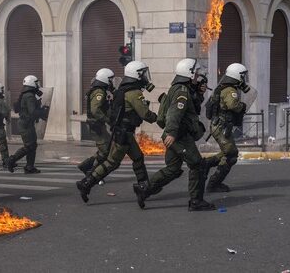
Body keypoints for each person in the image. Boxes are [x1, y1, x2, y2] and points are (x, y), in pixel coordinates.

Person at [133, 58, 216, 211]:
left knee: (173, 168)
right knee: (197, 165)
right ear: (189, 73)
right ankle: (196, 202)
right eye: (196, 73)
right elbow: (174, 113)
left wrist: (199, 93)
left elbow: (192, 109)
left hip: (176, 135)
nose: (198, 76)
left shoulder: (181, 88)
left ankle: (144, 189)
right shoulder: (182, 91)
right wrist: (171, 133)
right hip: (179, 136)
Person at [76, 61, 157, 203]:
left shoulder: (123, 90)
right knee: (112, 162)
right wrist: (160, 117)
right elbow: (145, 114)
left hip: (124, 133)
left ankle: (143, 186)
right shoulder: (133, 92)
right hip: (123, 134)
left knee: (138, 158)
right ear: (137, 75)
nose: (145, 77)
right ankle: (86, 183)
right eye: (143, 74)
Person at [205, 63, 249, 193]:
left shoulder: (223, 87)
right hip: (221, 126)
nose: (243, 79)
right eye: (242, 76)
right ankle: (213, 184)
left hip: (219, 125)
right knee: (231, 155)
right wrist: (242, 106)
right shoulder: (230, 90)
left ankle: (207, 164)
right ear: (237, 76)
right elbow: (232, 105)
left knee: (229, 152)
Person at [6, 75, 49, 174]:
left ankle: (29, 167)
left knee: (33, 145)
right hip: (26, 124)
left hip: (27, 123)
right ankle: (11, 160)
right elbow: (32, 111)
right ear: (32, 83)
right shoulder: (29, 95)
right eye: (36, 82)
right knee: (29, 146)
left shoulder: (27, 94)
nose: (38, 84)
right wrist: (42, 111)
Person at [77, 69, 115, 178]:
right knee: (106, 151)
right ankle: (92, 174)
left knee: (104, 149)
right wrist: (107, 119)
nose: (111, 82)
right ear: (105, 79)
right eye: (110, 80)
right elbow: (95, 110)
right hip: (96, 125)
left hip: (97, 125)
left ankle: (85, 166)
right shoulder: (99, 92)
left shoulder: (98, 90)